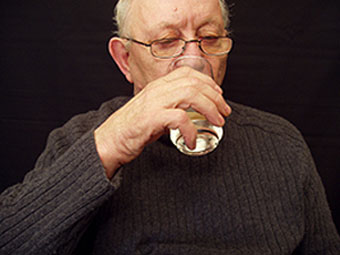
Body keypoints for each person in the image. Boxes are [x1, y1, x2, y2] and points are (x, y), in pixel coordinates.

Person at [1, 0, 339, 254]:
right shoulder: (78, 140)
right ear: (126, 60)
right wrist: (110, 145)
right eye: (166, 42)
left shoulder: (282, 146)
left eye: (209, 37)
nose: (194, 60)